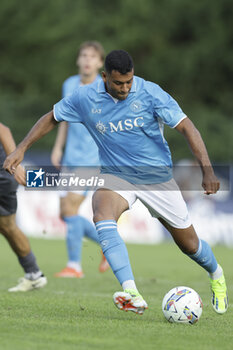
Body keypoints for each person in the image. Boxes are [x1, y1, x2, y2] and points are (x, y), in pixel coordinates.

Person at [4, 50, 228, 315]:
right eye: (118, 83)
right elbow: (52, 117)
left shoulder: (151, 93)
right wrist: (21, 150)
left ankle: (217, 274)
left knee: (189, 245)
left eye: (128, 82)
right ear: (104, 77)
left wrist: (208, 170)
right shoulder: (85, 97)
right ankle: (131, 291)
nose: (124, 88)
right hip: (116, 174)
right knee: (101, 212)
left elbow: (187, 127)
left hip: (156, 177)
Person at [51, 41, 109, 278]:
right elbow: (64, 118)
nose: (87, 60)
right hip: (70, 158)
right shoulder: (68, 85)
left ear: (100, 63)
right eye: (83, 55)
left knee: (71, 207)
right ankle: (108, 245)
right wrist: (57, 147)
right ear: (78, 60)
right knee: (65, 213)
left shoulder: (103, 88)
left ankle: (74, 266)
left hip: (90, 158)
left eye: (92, 56)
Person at [0, 123, 47, 292]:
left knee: (8, 227)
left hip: (3, 172)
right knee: (7, 227)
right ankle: (34, 273)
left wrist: (15, 163)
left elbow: (3, 130)